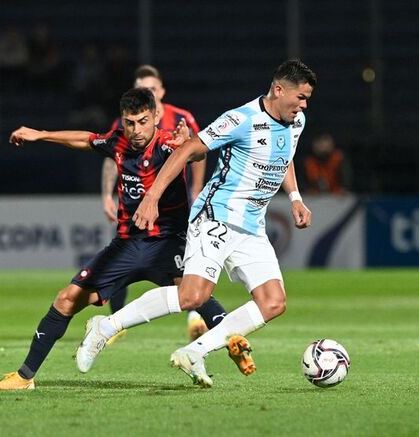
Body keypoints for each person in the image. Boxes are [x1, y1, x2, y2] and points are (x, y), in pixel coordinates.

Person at [0, 88, 254, 390]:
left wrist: (188, 144)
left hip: (169, 245)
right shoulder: (118, 142)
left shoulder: (168, 143)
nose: (136, 130)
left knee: (198, 297)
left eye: (142, 121)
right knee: (66, 299)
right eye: (129, 123)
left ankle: (234, 342)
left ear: (154, 117)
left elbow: (197, 152)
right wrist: (41, 134)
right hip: (126, 247)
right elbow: (84, 139)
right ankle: (24, 377)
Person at [75, 59, 315, 388]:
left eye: (306, 99)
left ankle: (195, 351)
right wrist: (152, 197)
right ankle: (106, 327)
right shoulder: (241, 119)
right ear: (278, 90)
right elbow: (187, 150)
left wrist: (295, 198)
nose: (304, 105)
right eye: (300, 97)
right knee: (192, 296)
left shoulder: (296, 121)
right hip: (216, 216)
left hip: (252, 226)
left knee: (273, 302)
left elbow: (284, 156)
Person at [102, 65, 208, 340]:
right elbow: (112, 154)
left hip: (172, 205)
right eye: (141, 87)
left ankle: (195, 316)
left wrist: (196, 189)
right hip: (136, 204)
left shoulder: (182, 118)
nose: (147, 91)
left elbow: (198, 152)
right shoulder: (127, 121)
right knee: (122, 256)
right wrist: (106, 194)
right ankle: (116, 320)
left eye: (151, 87)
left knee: (182, 262)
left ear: (161, 91)